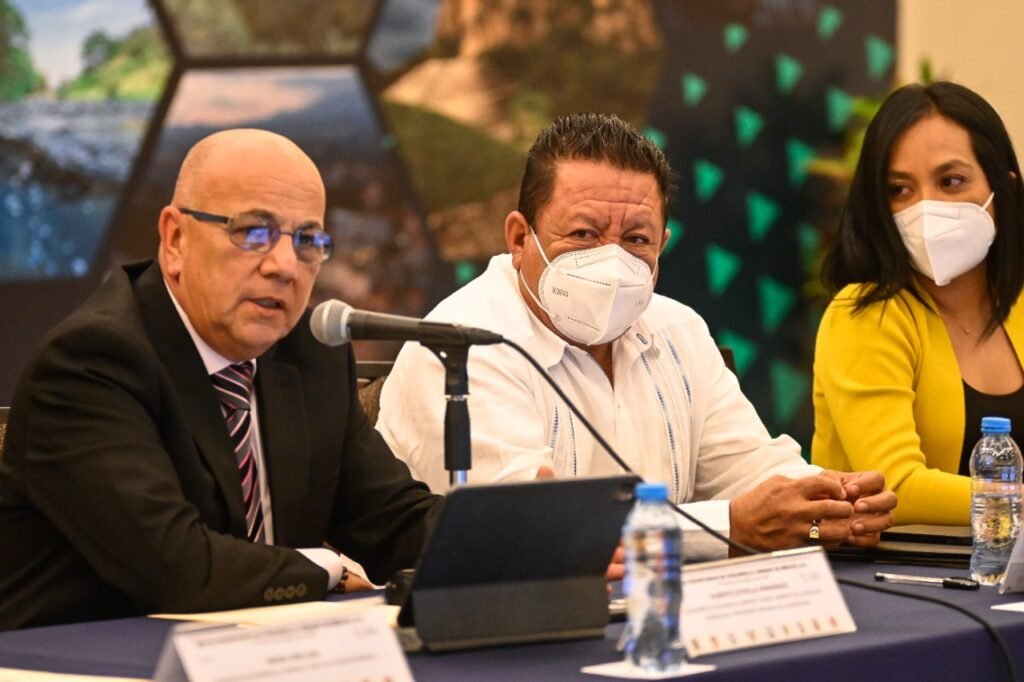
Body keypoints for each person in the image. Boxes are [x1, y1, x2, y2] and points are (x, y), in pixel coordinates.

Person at [377, 112, 895, 561]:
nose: (612, 260)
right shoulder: (461, 346)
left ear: (662, 245)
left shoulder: (678, 331)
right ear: (519, 238)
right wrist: (730, 526)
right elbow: (532, 531)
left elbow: (752, 473)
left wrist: (830, 503)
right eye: (583, 234)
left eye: (636, 239)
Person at [0, 129, 442, 630]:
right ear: (175, 239)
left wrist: (504, 537)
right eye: (253, 231)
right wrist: (326, 569)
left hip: (262, 650)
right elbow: (176, 567)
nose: (284, 266)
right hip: (76, 656)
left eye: (307, 241)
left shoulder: (311, 355)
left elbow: (391, 521)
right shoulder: (92, 362)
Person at [812, 81, 1024, 526]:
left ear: (1003, 191)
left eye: (950, 181)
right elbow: (897, 487)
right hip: (896, 565)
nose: (926, 207)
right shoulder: (864, 314)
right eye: (899, 189)